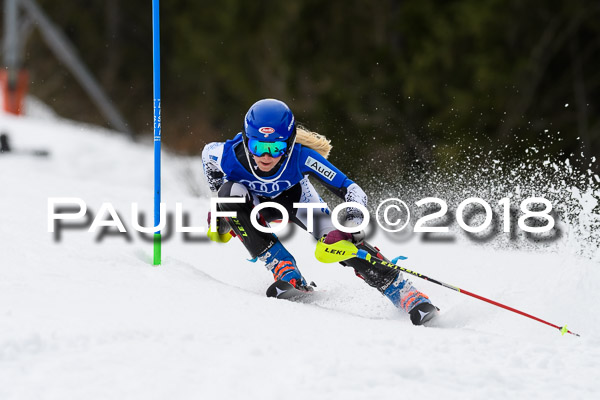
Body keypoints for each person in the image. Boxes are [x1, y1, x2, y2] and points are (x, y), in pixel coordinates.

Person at [201, 98, 438, 325]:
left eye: (276, 148)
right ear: (246, 140)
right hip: (255, 204)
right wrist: (218, 202)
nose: (266, 156)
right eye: (258, 146)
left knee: (335, 244)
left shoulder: (302, 157)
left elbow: (351, 189)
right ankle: (282, 266)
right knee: (228, 193)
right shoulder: (227, 155)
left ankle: (405, 292)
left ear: (290, 142)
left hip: (299, 202)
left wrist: (352, 226)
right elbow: (206, 155)